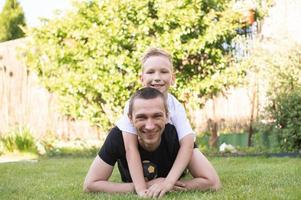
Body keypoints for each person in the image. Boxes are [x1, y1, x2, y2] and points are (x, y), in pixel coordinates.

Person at [83, 87, 221, 197]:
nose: (149, 126)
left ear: (167, 116)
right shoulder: (118, 136)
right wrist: (149, 186)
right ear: (130, 119)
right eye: (142, 117)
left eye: (157, 116)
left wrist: (167, 185)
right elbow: (90, 185)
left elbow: (212, 182)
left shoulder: (177, 136)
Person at [115, 48, 196, 197]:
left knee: (210, 178)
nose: (157, 77)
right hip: (144, 153)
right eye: (151, 72)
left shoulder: (176, 106)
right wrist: (141, 189)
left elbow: (187, 142)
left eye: (164, 72)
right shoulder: (132, 104)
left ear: (173, 78)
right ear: (141, 78)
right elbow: (130, 148)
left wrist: (169, 182)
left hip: (168, 152)